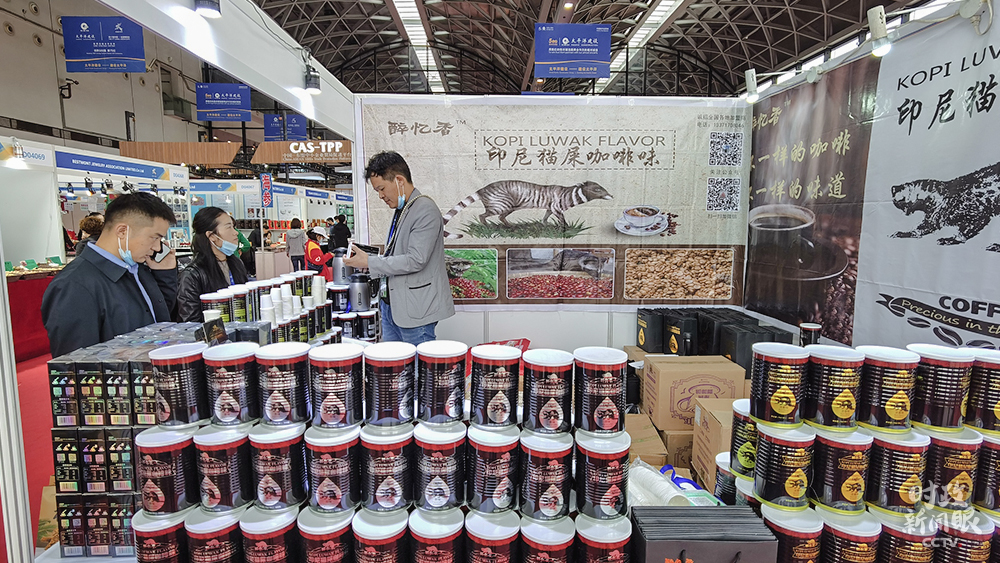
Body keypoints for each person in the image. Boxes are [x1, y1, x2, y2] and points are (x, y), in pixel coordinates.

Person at [42, 192, 178, 357]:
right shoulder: (73, 286)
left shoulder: (137, 268)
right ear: (122, 231)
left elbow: (158, 318)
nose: (157, 247)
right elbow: (76, 362)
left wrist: (164, 275)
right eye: (154, 238)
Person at [344, 151, 454, 346]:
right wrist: (370, 259)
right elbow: (398, 253)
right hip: (393, 306)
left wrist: (370, 262)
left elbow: (416, 259)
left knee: (418, 364)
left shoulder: (424, 209)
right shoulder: (403, 209)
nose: (380, 196)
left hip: (415, 310)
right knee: (395, 363)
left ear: (399, 180)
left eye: (381, 189)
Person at [175, 207, 249, 322]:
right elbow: (191, 321)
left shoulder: (237, 263)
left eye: (234, 227)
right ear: (212, 236)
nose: (235, 233)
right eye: (229, 227)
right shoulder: (192, 275)